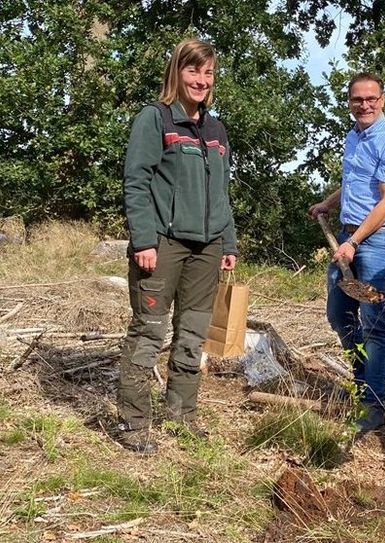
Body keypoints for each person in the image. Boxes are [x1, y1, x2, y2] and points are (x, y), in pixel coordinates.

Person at [117, 38, 237, 454]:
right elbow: (137, 182)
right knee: (149, 333)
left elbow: (221, 190)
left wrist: (229, 241)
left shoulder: (215, 129)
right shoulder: (155, 119)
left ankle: (181, 414)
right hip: (163, 245)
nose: (201, 81)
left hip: (207, 248)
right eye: (193, 71)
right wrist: (144, 239)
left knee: (193, 334)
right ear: (177, 72)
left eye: (208, 73)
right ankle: (133, 424)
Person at [309, 72, 385, 432]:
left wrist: (354, 244)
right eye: (358, 100)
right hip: (348, 237)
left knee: (373, 322)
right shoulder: (354, 137)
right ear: (350, 103)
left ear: (383, 100)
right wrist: (328, 202)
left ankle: (372, 404)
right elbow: (355, 181)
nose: (365, 105)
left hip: (379, 241)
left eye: (372, 98)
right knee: (340, 315)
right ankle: (362, 382)